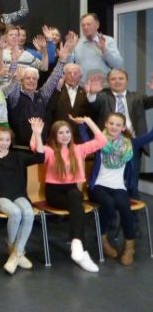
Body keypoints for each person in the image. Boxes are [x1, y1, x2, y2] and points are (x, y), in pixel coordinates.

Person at [33, 115, 107, 272]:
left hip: (72, 190)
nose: (65, 135)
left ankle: (77, 245)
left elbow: (102, 141)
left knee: (75, 197)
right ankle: (79, 248)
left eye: (67, 132)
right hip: (54, 192)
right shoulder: (50, 151)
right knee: (77, 205)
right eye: (60, 132)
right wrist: (37, 133)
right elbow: (36, 149)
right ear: (54, 135)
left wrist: (88, 121)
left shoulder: (79, 149)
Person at [0, 119, 45, 274]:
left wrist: (37, 134)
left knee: (28, 212)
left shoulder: (18, 156)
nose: (4, 143)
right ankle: (13, 249)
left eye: (7, 140)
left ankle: (16, 253)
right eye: (1, 139)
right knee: (15, 212)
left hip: (18, 195)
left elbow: (40, 158)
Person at [87, 113, 153, 265]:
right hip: (98, 186)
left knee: (124, 205)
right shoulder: (99, 141)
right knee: (109, 203)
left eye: (118, 125)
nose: (114, 127)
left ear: (123, 128)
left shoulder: (130, 143)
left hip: (118, 186)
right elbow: (84, 137)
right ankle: (103, 239)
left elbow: (150, 136)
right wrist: (84, 123)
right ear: (106, 124)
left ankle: (130, 246)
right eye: (111, 123)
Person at [85, 68, 153, 198]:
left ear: (127, 81)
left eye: (121, 78)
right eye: (113, 79)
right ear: (108, 82)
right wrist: (92, 94)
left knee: (132, 182)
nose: (117, 81)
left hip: (132, 144)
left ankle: (132, 207)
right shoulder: (103, 96)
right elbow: (93, 104)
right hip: (108, 145)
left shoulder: (137, 97)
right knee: (110, 182)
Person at [46, 63, 92, 143]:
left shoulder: (85, 92)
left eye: (75, 73)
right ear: (64, 75)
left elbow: (90, 113)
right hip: (57, 136)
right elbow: (49, 109)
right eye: (69, 73)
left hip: (78, 138)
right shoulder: (56, 90)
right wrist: (57, 90)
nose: (72, 76)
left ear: (80, 76)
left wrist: (89, 95)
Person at [73, 13, 123, 81]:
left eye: (89, 24)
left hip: (103, 85)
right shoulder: (77, 43)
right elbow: (69, 68)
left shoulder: (108, 41)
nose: (85, 27)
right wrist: (68, 52)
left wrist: (104, 49)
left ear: (97, 25)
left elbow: (118, 64)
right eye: (83, 25)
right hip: (83, 86)